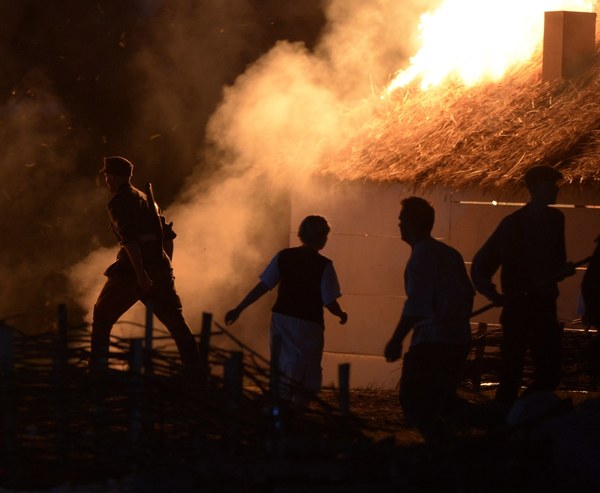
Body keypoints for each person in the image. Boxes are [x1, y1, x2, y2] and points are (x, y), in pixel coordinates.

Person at [471, 165, 573, 408]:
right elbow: (482, 264)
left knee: (549, 371)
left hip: (545, 305)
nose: (555, 190)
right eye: (551, 185)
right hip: (518, 306)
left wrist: (561, 272)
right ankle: (507, 417)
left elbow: (556, 263)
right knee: (511, 371)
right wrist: (492, 292)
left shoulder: (556, 220)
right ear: (535, 189)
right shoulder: (513, 225)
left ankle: (521, 413)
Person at [90, 156, 199, 375]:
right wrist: (164, 267)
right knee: (176, 322)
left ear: (112, 176)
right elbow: (166, 238)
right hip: (159, 269)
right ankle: (196, 371)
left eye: (107, 176)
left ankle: (97, 372)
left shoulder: (119, 202)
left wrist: (141, 274)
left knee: (102, 315)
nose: (106, 180)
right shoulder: (146, 199)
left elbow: (129, 240)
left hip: (132, 272)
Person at [225, 215, 348, 405]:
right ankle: (298, 409)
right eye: (324, 235)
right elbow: (329, 301)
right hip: (310, 324)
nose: (325, 239)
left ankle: (281, 405)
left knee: (283, 363)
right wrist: (341, 314)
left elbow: (263, 286)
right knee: (307, 367)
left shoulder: (284, 256)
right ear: (320, 237)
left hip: (282, 320)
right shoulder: (324, 265)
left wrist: (239, 308)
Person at [384, 197, 474, 440]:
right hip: (457, 339)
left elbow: (418, 306)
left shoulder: (421, 258)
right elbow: (468, 294)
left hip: (433, 342)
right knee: (440, 398)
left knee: (415, 402)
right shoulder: (449, 254)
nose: (399, 225)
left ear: (413, 223)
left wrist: (396, 339)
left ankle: (456, 436)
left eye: (402, 220)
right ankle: (465, 434)